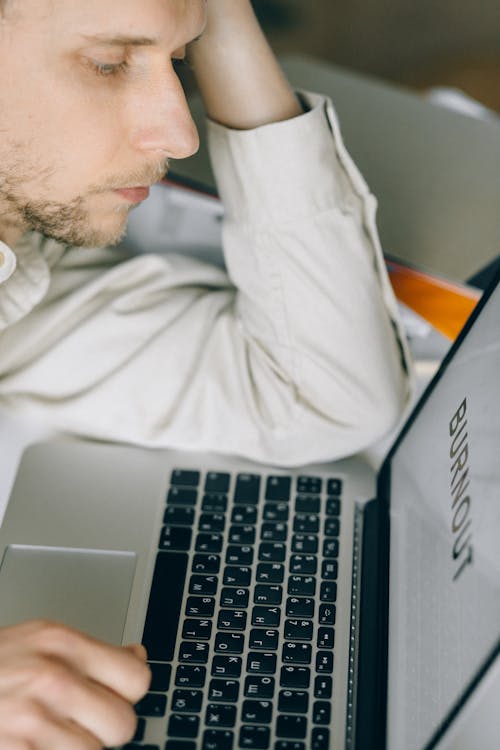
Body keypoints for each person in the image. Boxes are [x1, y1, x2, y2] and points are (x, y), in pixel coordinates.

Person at [0, 0, 412, 746]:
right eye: (108, 63)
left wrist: (209, 14)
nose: (181, 134)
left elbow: (320, 397)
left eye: (181, 61)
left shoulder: (20, 276)